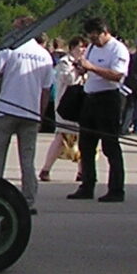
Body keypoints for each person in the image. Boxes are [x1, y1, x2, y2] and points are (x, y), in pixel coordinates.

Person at [0, 18, 53, 212]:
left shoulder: (10, 50)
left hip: (7, 110)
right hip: (30, 113)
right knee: (27, 159)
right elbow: (46, 90)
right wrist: (41, 114)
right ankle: (29, 199)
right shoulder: (45, 56)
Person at [67, 18, 128, 202]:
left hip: (108, 99)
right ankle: (87, 185)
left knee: (110, 146)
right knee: (86, 146)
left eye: (95, 35)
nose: (93, 40)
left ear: (104, 32)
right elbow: (89, 69)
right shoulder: (93, 48)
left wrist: (92, 67)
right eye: (90, 36)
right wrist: (82, 69)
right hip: (90, 98)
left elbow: (117, 75)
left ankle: (116, 189)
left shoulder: (117, 49)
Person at [40, 36, 86, 182]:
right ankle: (46, 169)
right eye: (80, 47)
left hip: (81, 105)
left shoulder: (85, 63)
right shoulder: (64, 62)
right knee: (61, 137)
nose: (83, 50)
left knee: (83, 138)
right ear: (72, 48)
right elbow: (69, 80)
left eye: (85, 47)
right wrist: (79, 70)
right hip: (66, 106)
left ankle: (82, 171)